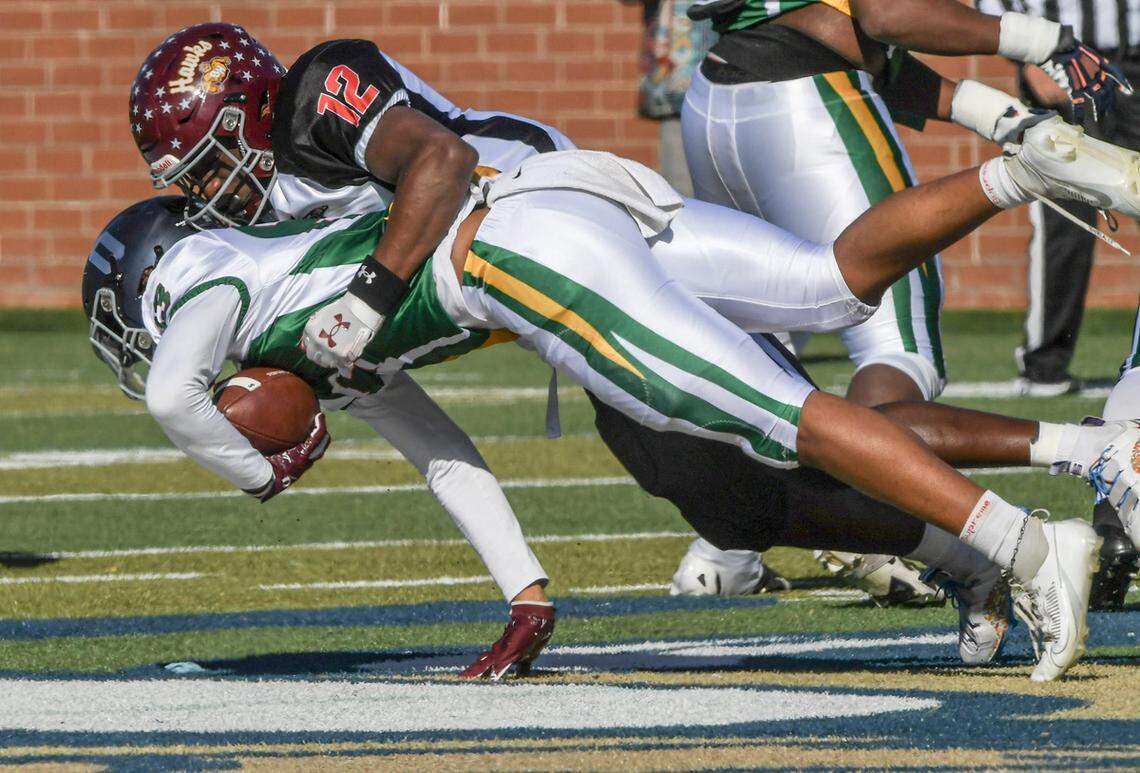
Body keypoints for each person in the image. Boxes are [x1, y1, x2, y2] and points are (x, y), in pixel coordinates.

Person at [92, 116, 1140, 678]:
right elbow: (443, 452)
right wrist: (526, 592)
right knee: (784, 371)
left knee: (773, 417)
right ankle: (1016, 181)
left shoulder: (203, 278)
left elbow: (177, 393)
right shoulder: (299, 328)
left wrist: (254, 463)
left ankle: (1029, 544)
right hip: (544, 212)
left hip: (519, 255)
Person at [676, 0, 1132, 597]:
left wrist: (998, 115)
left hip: (716, 96)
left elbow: (840, 32)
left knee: (764, 346)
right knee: (898, 343)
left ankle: (724, 555)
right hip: (807, 102)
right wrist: (1042, 39)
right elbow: (888, 15)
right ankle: (864, 523)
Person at [976, 0, 1140, 609]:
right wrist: (1035, 54)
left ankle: (1114, 524)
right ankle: (1046, 361)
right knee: (1069, 213)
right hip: (1072, 59)